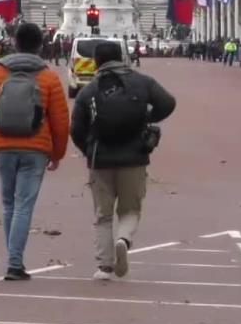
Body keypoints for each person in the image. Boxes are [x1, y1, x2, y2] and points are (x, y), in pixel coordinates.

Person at [70, 42, 176, 280]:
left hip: (100, 158)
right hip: (135, 155)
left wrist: (88, 150)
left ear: (97, 62)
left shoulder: (89, 91)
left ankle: (104, 267)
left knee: (102, 215)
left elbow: (76, 129)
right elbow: (168, 102)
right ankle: (124, 239)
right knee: (130, 210)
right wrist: (146, 117)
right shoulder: (142, 82)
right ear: (122, 57)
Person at [0, 23, 69, 281]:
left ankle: (13, 260)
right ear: (40, 45)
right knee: (24, 206)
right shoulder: (48, 77)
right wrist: (57, 154)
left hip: (2, 146)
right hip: (35, 148)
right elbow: (60, 120)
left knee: (8, 205)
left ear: (15, 43)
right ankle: (15, 263)